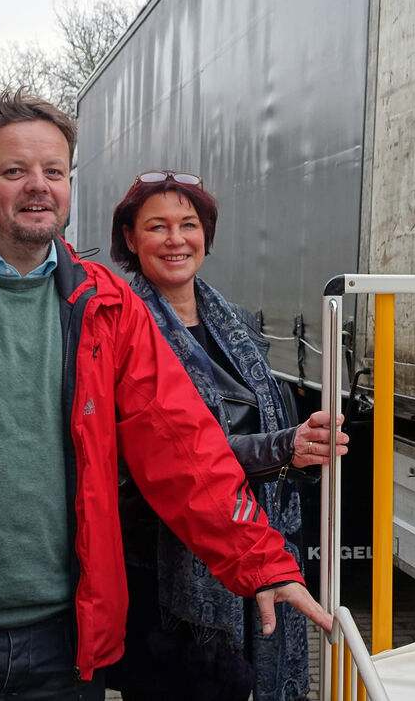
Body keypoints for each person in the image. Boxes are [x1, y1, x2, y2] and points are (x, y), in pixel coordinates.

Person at [0, 89, 328, 701]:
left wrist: (258, 559)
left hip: (68, 644)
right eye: (15, 171)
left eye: (53, 171)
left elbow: (182, 447)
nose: (37, 187)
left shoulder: (106, 306)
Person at [105, 170, 349, 701]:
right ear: (130, 237)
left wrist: (296, 440)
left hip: (250, 540)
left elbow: (253, 425)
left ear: (206, 235)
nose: (176, 240)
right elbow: (175, 448)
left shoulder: (233, 321)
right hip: (166, 572)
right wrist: (283, 447)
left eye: (188, 224)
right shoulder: (120, 324)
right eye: (157, 226)